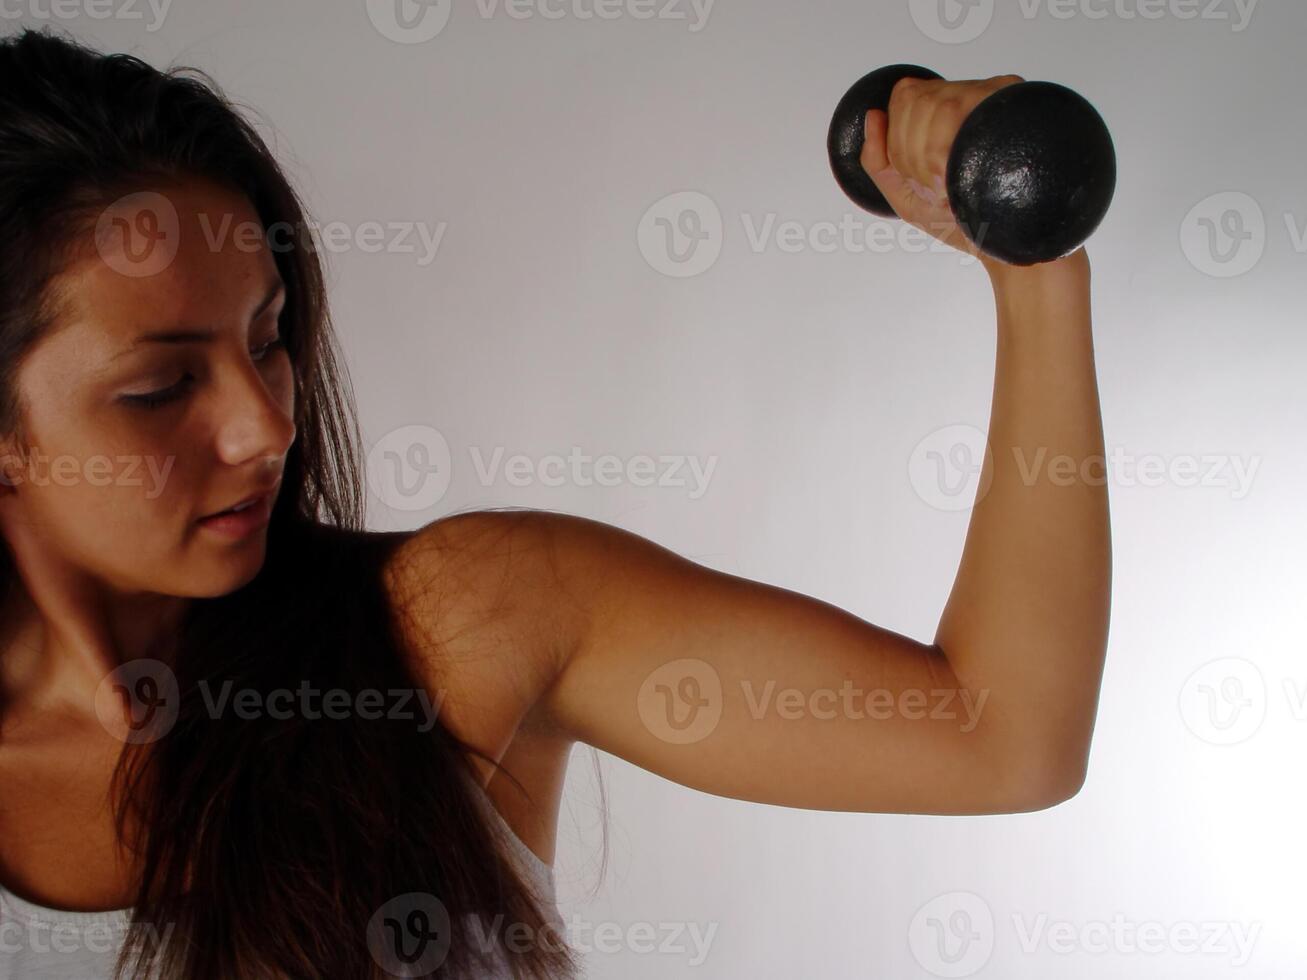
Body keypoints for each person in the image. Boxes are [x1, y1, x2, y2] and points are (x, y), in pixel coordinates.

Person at [0, 25, 1112, 980]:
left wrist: (1033, 273)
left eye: (268, 338)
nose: (264, 425)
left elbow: (1000, 734)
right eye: (159, 388)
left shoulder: (460, 620)